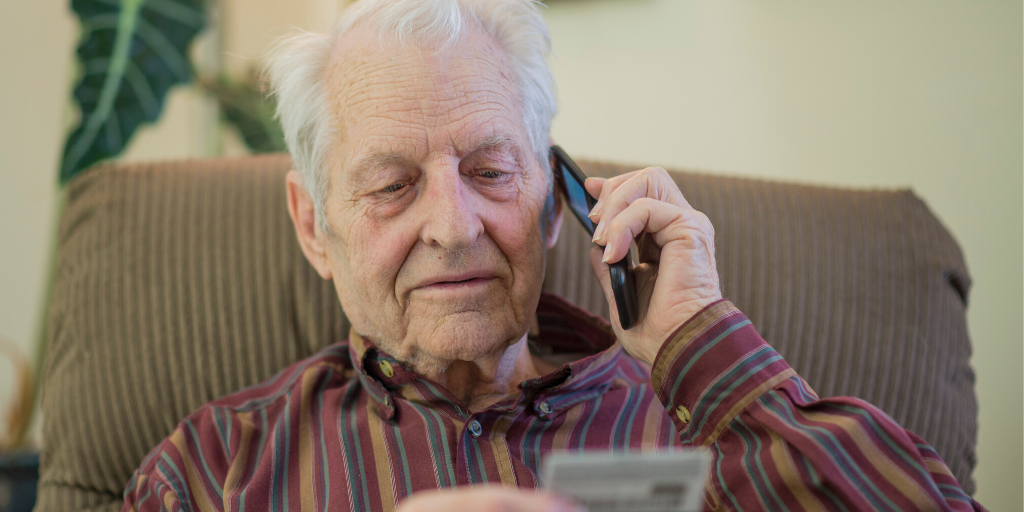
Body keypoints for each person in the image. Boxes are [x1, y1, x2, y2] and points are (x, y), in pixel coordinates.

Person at [122, 0, 984, 510]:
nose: (454, 226)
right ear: (314, 226)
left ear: (558, 200)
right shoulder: (215, 469)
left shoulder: (708, 430)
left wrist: (702, 341)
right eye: (391, 185)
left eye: (491, 170)